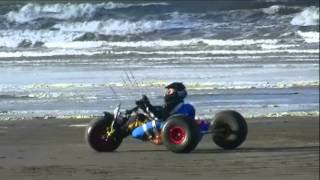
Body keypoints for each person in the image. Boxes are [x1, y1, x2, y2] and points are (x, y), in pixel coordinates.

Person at [131, 82, 195, 144]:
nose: (166, 94)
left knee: (135, 133)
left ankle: (156, 139)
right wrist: (145, 107)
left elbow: (159, 117)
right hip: (181, 130)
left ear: (178, 93)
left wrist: (148, 105)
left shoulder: (170, 106)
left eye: (169, 91)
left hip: (166, 127)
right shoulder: (189, 107)